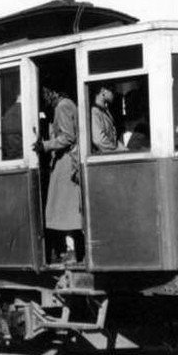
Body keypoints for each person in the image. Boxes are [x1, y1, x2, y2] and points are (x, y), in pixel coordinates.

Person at [34, 86, 83, 262]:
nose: (45, 100)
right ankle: (73, 250)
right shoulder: (69, 104)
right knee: (68, 209)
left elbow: (67, 137)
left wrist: (45, 145)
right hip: (68, 161)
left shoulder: (62, 106)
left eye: (45, 95)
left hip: (65, 163)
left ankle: (70, 252)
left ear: (51, 92)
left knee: (64, 209)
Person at [90, 84, 119, 153]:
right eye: (112, 90)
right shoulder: (94, 111)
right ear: (103, 91)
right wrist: (116, 152)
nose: (114, 93)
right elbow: (99, 140)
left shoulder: (105, 111)